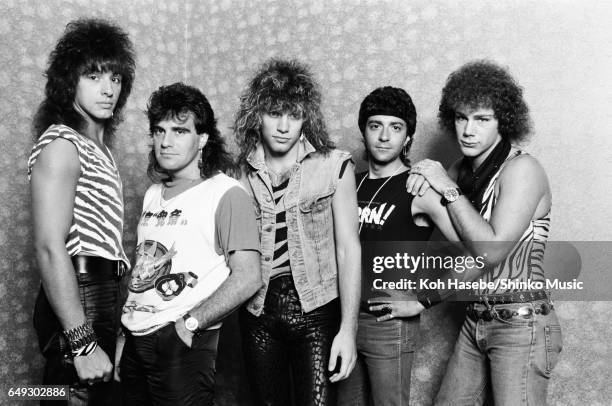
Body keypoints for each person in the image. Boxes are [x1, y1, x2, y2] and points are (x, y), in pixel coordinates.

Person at [407, 61, 563, 405]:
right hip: (476, 318)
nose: (468, 130)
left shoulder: (522, 169)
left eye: (482, 119)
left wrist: (445, 189)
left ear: (503, 122)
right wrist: (422, 187)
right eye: (462, 117)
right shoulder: (461, 170)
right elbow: (462, 241)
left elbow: (489, 251)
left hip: (522, 325)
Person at [118, 83, 262, 406]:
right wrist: (123, 332)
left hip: (180, 342)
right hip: (134, 340)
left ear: (203, 139)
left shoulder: (225, 193)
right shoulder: (153, 194)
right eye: (159, 130)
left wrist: (190, 324)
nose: (165, 141)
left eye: (180, 131)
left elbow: (249, 276)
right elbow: (143, 268)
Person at [234, 59, 361, 406]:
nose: (284, 126)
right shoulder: (238, 174)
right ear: (257, 115)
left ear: (307, 118)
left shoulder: (334, 165)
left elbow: (349, 249)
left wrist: (348, 330)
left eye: (294, 115)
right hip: (257, 310)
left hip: (317, 309)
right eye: (275, 113)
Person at [28, 18, 135, 405]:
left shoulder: (99, 150)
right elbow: (49, 247)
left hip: (102, 295)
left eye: (116, 78)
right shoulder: (61, 142)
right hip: (78, 296)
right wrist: (82, 342)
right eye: (93, 76)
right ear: (69, 81)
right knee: (65, 396)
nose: (108, 88)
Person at [337, 86, 460, 406]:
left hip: (388, 325)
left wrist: (424, 300)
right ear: (363, 131)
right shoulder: (349, 182)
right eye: (375, 125)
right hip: (343, 320)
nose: (384, 136)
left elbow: (475, 252)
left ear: (408, 138)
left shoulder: (419, 189)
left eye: (396, 127)